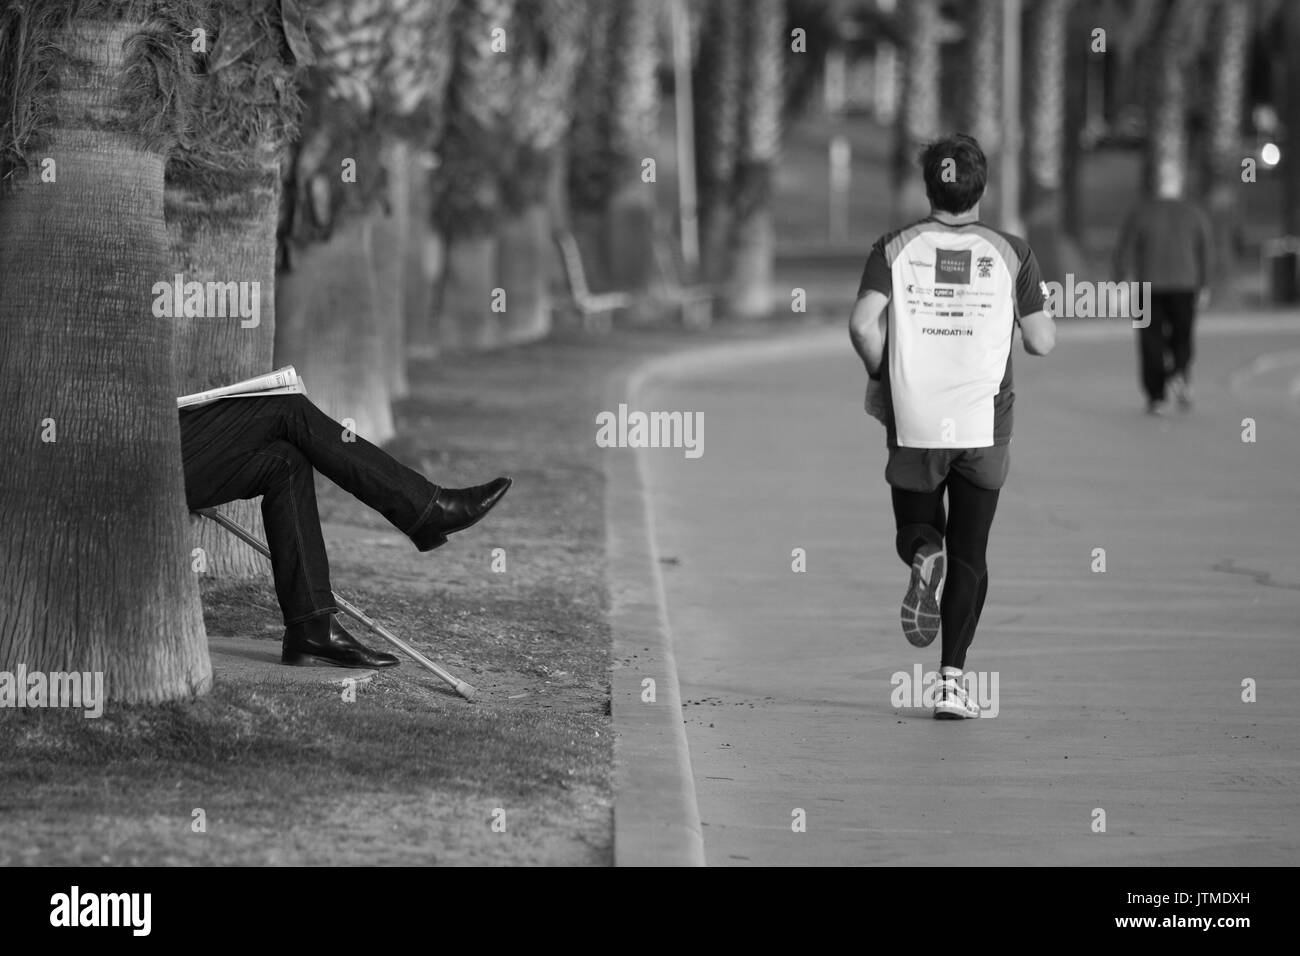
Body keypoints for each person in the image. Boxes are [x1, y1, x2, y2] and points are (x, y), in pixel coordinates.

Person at [849, 133, 1056, 720]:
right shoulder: (1011, 251)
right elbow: (1041, 340)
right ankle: (949, 683)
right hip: (983, 425)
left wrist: (882, 371)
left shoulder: (894, 246)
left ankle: (922, 554)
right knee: (972, 550)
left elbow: (864, 323)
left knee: (916, 530)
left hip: (915, 419)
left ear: (928, 186)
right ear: (981, 187)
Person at [179, 393, 511, 669]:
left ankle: (312, 628)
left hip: (160, 439)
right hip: (138, 456)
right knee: (287, 407)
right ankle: (428, 510)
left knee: (286, 462)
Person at [1114, 159, 1214, 414]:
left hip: (1147, 286)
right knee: (1183, 335)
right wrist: (1205, 285)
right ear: (1178, 183)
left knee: (1149, 340)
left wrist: (1121, 280)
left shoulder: (1141, 212)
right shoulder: (1193, 212)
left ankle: (1156, 395)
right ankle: (1179, 371)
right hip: (1185, 284)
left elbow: (1124, 249)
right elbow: (1205, 250)